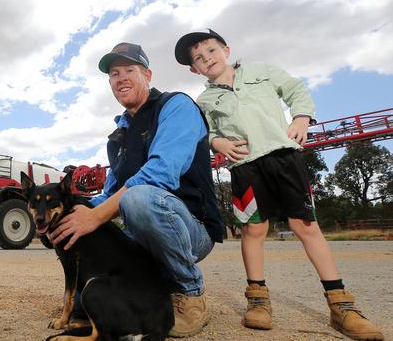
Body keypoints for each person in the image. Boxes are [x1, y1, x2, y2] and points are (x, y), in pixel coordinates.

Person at [174, 29, 383, 340]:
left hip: (284, 157)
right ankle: (257, 300)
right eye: (199, 59)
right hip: (245, 167)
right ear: (195, 69)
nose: (208, 59)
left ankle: (341, 305)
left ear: (226, 50)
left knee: (306, 226)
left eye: (211, 51)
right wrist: (217, 142)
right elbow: (202, 132)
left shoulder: (260, 71)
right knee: (254, 229)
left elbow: (295, 89)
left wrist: (301, 118)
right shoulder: (205, 100)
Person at [49, 42, 224, 337]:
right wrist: (76, 211)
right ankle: (136, 297)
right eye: (114, 74)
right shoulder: (118, 137)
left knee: (139, 198)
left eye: (130, 70)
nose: (121, 78)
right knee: (88, 301)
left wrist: (96, 215)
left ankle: (190, 293)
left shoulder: (176, 107)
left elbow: (160, 174)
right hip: (141, 233)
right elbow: (110, 192)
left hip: (191, 227)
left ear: (148, 75)